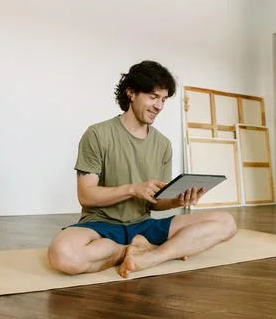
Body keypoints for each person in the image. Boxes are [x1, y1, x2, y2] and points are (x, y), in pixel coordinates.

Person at [48, 60, 237, 278]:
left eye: (163, 99)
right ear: (131, 93)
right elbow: (86, 195)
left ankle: (150, 257)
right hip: (101, 225)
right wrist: (133, 189)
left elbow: (155, 202)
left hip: (144, 226)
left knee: (226, 223)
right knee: (63, 255)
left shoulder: (163, 144)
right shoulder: (98, 134)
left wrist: (177, 200)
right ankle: (129, 250)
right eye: (153, 96)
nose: (159, 106)